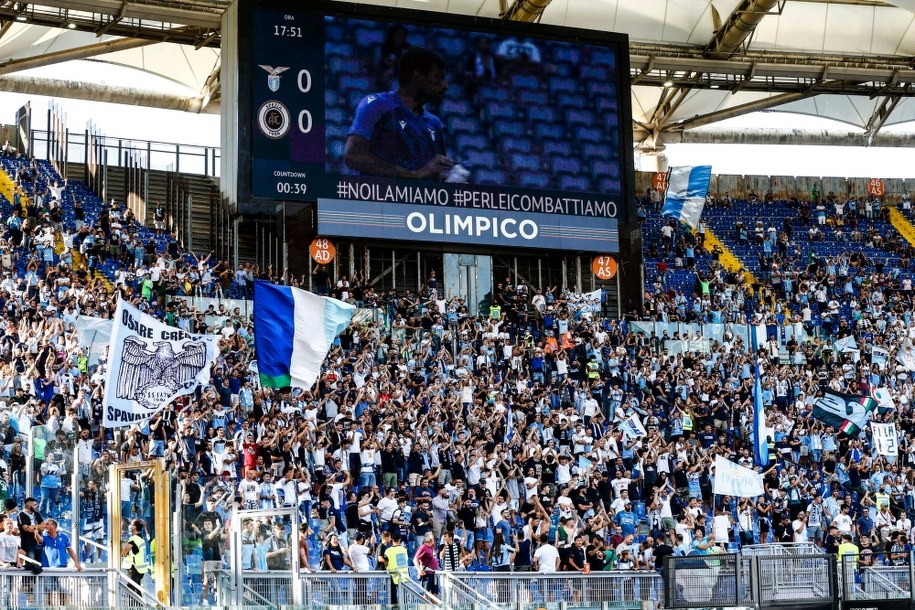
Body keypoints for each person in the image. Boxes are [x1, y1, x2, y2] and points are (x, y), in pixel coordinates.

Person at [345, 47, 454, 180]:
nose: (445, 86)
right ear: (417, 77)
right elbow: (353, 156)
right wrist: (414, 175)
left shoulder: (434, 123)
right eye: (439, 78)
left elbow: (437, 174)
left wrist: (452, 178)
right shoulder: (376, 105)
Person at [122, 519, 148, 592]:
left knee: (131, 590)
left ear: (134, 527)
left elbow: (123, 552)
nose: (129, 525)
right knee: (137, 590)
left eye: (131, 524)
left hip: (134, 568)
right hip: (139, 569)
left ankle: (136, 603)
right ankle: (141, 603)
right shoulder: (140, 539)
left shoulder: (134, 539)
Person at [384, 531, 410, 606]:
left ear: (391, 539)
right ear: (399, 540)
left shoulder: (388, 551)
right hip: (404, 576)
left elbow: (385, 562)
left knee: (393, 596)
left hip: (392, 575)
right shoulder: (404, 550)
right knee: (404, 596)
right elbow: (406, 559)